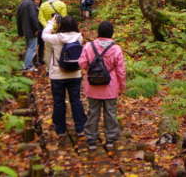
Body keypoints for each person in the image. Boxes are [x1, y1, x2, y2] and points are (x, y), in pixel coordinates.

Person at [78, 21, 126, 151]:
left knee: (93, 112)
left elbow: (82, 63)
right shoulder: (116, 48)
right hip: (110, 86)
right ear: (111, 33)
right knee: (110, 112)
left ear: (98, 32)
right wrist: (122, 86)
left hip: (92, 85)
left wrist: (91, 69)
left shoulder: (89, 46)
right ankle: (110, 139)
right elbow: (121, 70)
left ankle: (91, 140)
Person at [42, 15, 87, 141]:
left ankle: (61, 129)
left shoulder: (56, 39)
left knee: (59, 102)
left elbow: (43, 35)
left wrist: (51, 22)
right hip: (75, 74)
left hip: (57, 74)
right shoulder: (79, 38)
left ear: (61, 26)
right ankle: (80, 128)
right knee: (76, 100)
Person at [16, 0, 40, 72]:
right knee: (32, 47)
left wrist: (20, 31)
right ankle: (27, 66)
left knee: (29, 47)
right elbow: (33, 17)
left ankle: (27, 64)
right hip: (31, 30)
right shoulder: (31, 4)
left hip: (25, 29)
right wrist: (36, 28)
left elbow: (18, 19)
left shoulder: (21, 4)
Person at [33, 0, 44, 66]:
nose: (37, 1)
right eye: (35, 0)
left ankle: (40, 59)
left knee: (41, 44)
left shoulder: (41, 8)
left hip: (42, 28)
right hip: (35, 29)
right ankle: (34, 61)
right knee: (34, 45)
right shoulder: (32, 8)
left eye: (38, 0)